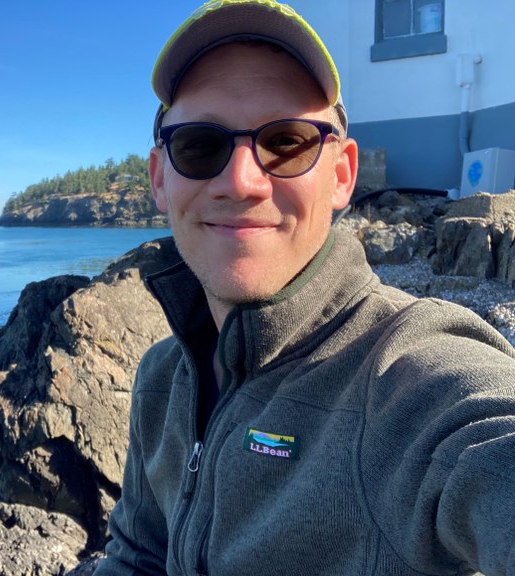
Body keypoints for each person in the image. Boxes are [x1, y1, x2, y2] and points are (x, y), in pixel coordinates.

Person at [94, 1, 515, 575]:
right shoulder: (163, 376)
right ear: (160, 178)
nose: (241, 182)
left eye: (287, 142)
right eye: (199, 145)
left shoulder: (402, 375)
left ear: (341, 175)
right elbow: (139, 553)